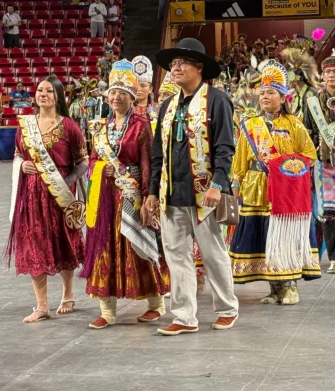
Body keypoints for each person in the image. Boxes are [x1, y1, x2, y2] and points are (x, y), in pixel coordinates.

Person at [148, 38, 239, 336]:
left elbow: (225, 146)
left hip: (205, 193)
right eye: (173, 65)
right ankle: (185, 316)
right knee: (176, 256)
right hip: (170, 193)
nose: (175, 68)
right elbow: (158, 154)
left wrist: (217, 183)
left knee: (213, 252)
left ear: (199, 68)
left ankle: (227, 308)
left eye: (181, 63)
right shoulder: (167, 106)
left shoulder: (216, 100)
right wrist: (152, 192)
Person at [82, 59, 170, 329]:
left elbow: (147, 163)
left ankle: (156, 303)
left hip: (131, 196)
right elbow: (94, 160)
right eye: (113, 92)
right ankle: (107, 310)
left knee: (138, 247)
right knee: (103, 249)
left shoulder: (141, 125)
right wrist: (100, 170)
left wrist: (147, 198)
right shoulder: (100, 127)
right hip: (106, 198)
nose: (116, 97)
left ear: (132, 97)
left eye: (123, 93)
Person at [230, 59, 321, 305]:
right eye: (262, 93)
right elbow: (238, 162)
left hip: (283, 191)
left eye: (271, 92)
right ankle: (273, 288)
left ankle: (289, 286)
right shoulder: (250, 125)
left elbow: (309, 156)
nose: (265, 96)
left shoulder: (294, 124)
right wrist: (235, 189)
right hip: (255, 189)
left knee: (282, 235)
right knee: (263, 237)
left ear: (283, 98)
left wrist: (284, 166)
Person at [6, 76, 88, 322]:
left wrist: (69, 180)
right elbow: (18, 155)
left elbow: (83, 162)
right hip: (31, 198)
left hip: (59, 197)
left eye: (49, 91)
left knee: (64, 243)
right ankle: (41, 305)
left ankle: (68, 295)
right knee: (34, 246)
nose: (43, 94)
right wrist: (22, 166)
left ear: (58, 96)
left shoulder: (69, 127)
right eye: (40, 90)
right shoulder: (25, 125)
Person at [306, 50, 335, 274]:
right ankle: (334, 256)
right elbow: (307, 131)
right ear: (322, 77)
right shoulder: (314, 102)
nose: (332, 76)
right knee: (328, 212)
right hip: (325, 164)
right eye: (328, 72)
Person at [132, 55, 158, 131]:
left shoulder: (158, 110)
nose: (139, 89)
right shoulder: (125, 109)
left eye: (143, 86)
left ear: (150, 89)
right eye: (136, 85)